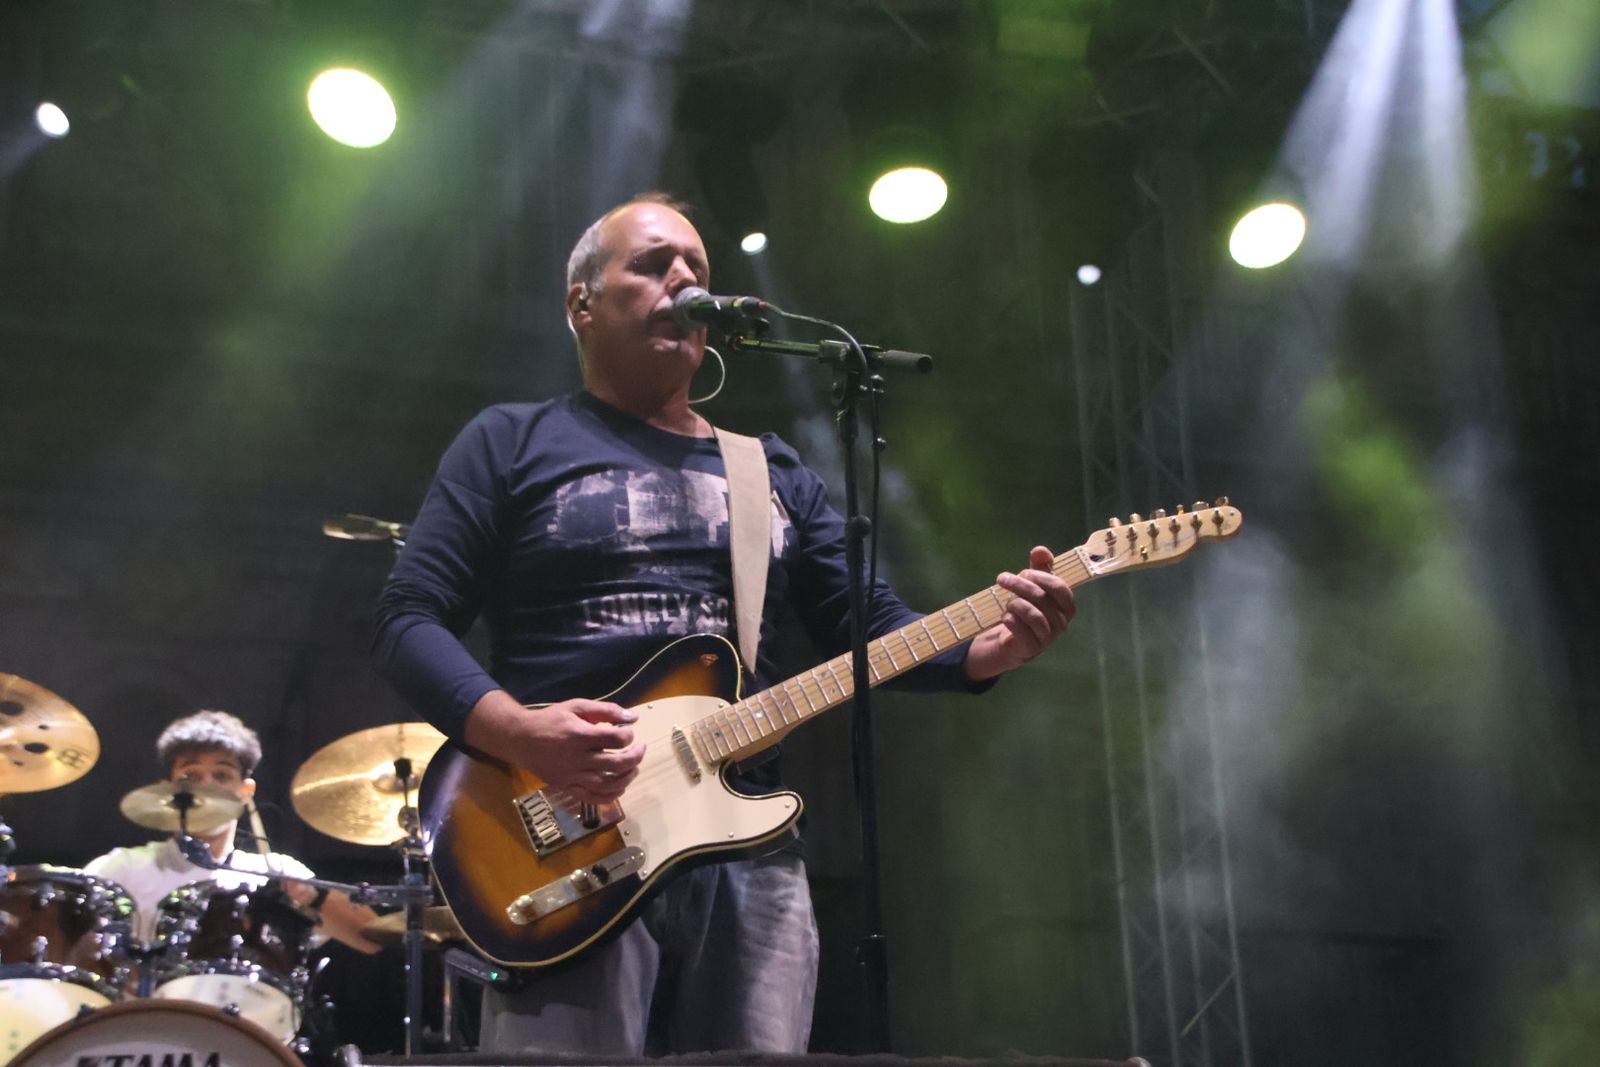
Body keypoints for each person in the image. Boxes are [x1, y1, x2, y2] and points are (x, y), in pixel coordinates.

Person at [371, 193, 1075, 1054]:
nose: (682, 278)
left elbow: (871, 628)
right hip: (561, 834)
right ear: (580, 303)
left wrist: (988, 649)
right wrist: (521, 732)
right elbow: (407, 618)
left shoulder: (768, 469)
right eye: (653, 262)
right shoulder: (511, 441)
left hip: (745, 844)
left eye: (696, 270)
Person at [85, 709, 382, 953]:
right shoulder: (122, 868)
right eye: (191, 775)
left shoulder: (275, 870)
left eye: (222, 775)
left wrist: (313, 899)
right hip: (141, 1022)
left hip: (250, 1022)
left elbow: (371, 939)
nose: (208, 785)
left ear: (245, 791)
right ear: (167, 789)